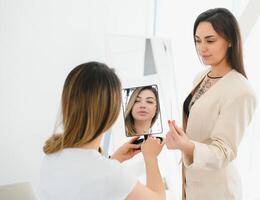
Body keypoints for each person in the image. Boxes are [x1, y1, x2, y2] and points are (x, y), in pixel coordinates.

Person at [165, 8, 257, 200]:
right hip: (192, 185)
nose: (202, 48)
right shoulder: (201, 77)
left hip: (217, 191)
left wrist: (187, 145)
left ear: (230, 41)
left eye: (210, 40)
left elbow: (224, 151)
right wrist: (180, 135)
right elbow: (200, 127)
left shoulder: (241, 90)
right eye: (197, 41)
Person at [39, 62, 166, 200]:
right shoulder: (112, 175)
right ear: (110, 112)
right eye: (137, 100)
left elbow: (89, 180)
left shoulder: (51, 157)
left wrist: (115, 160)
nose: (142, 106)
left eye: (149, 101)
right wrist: (151, 158)